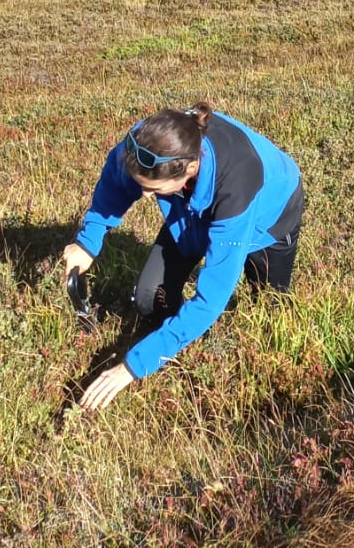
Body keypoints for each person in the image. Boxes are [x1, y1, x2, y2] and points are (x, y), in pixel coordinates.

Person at [63, 102, 304, 413]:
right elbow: (115, 184)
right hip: (189, 213)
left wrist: (132, 367)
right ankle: (177, 343)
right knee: (150, 300)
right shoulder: (144, 143)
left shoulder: (236, 187)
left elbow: (209, 300)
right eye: (142, 186)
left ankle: (191, 339)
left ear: (190, 168)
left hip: (269, 216)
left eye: (153, 189)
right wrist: (87, 242)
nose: (145, 195)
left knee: (270, 309)